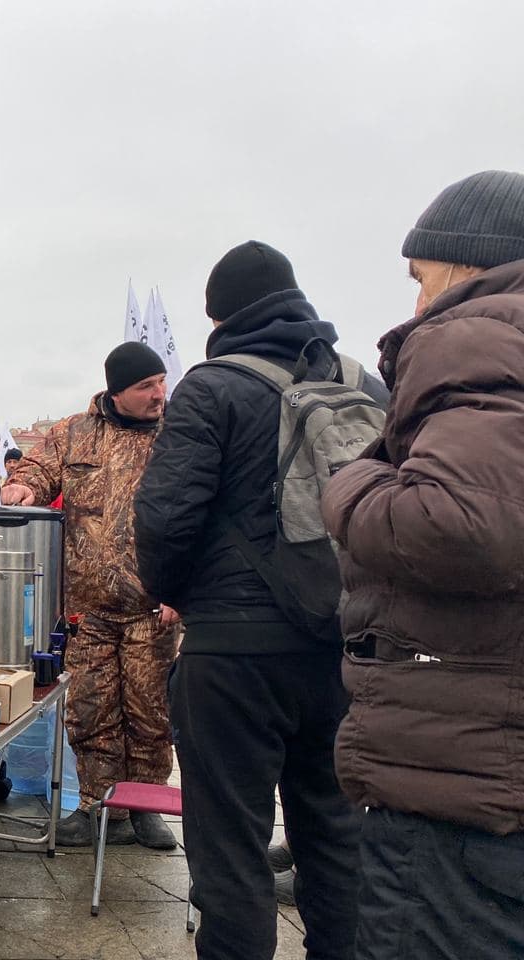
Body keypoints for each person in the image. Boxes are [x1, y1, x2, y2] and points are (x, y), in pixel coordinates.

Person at [134, 241, 377, 960]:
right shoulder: (369, 385)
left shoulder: (213, 387)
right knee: (335, 839)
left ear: (220, 315)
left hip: (234, 657)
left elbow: (164, 519)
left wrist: (180, 597)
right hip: (344, 649)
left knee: (231, 851)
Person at [322, 171, 524, 959]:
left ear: (467, 264)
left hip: (457, 788)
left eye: (420, 278)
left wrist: (354, 481)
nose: (416, 305)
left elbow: (460, 524)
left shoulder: (480, 334)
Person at [1, 342, 178, 850]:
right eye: (146, 385)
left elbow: (201, 510)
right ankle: (100, 807)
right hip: (88, 610)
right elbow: (35, 470)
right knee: (91, 709)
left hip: (153, 610)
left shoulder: (179, 435)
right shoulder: (74, 432)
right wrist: (24, 490)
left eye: (161, 381)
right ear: (116, 391)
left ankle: (145, 807)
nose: (159, 393)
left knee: (150, 712)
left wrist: (182, 587)